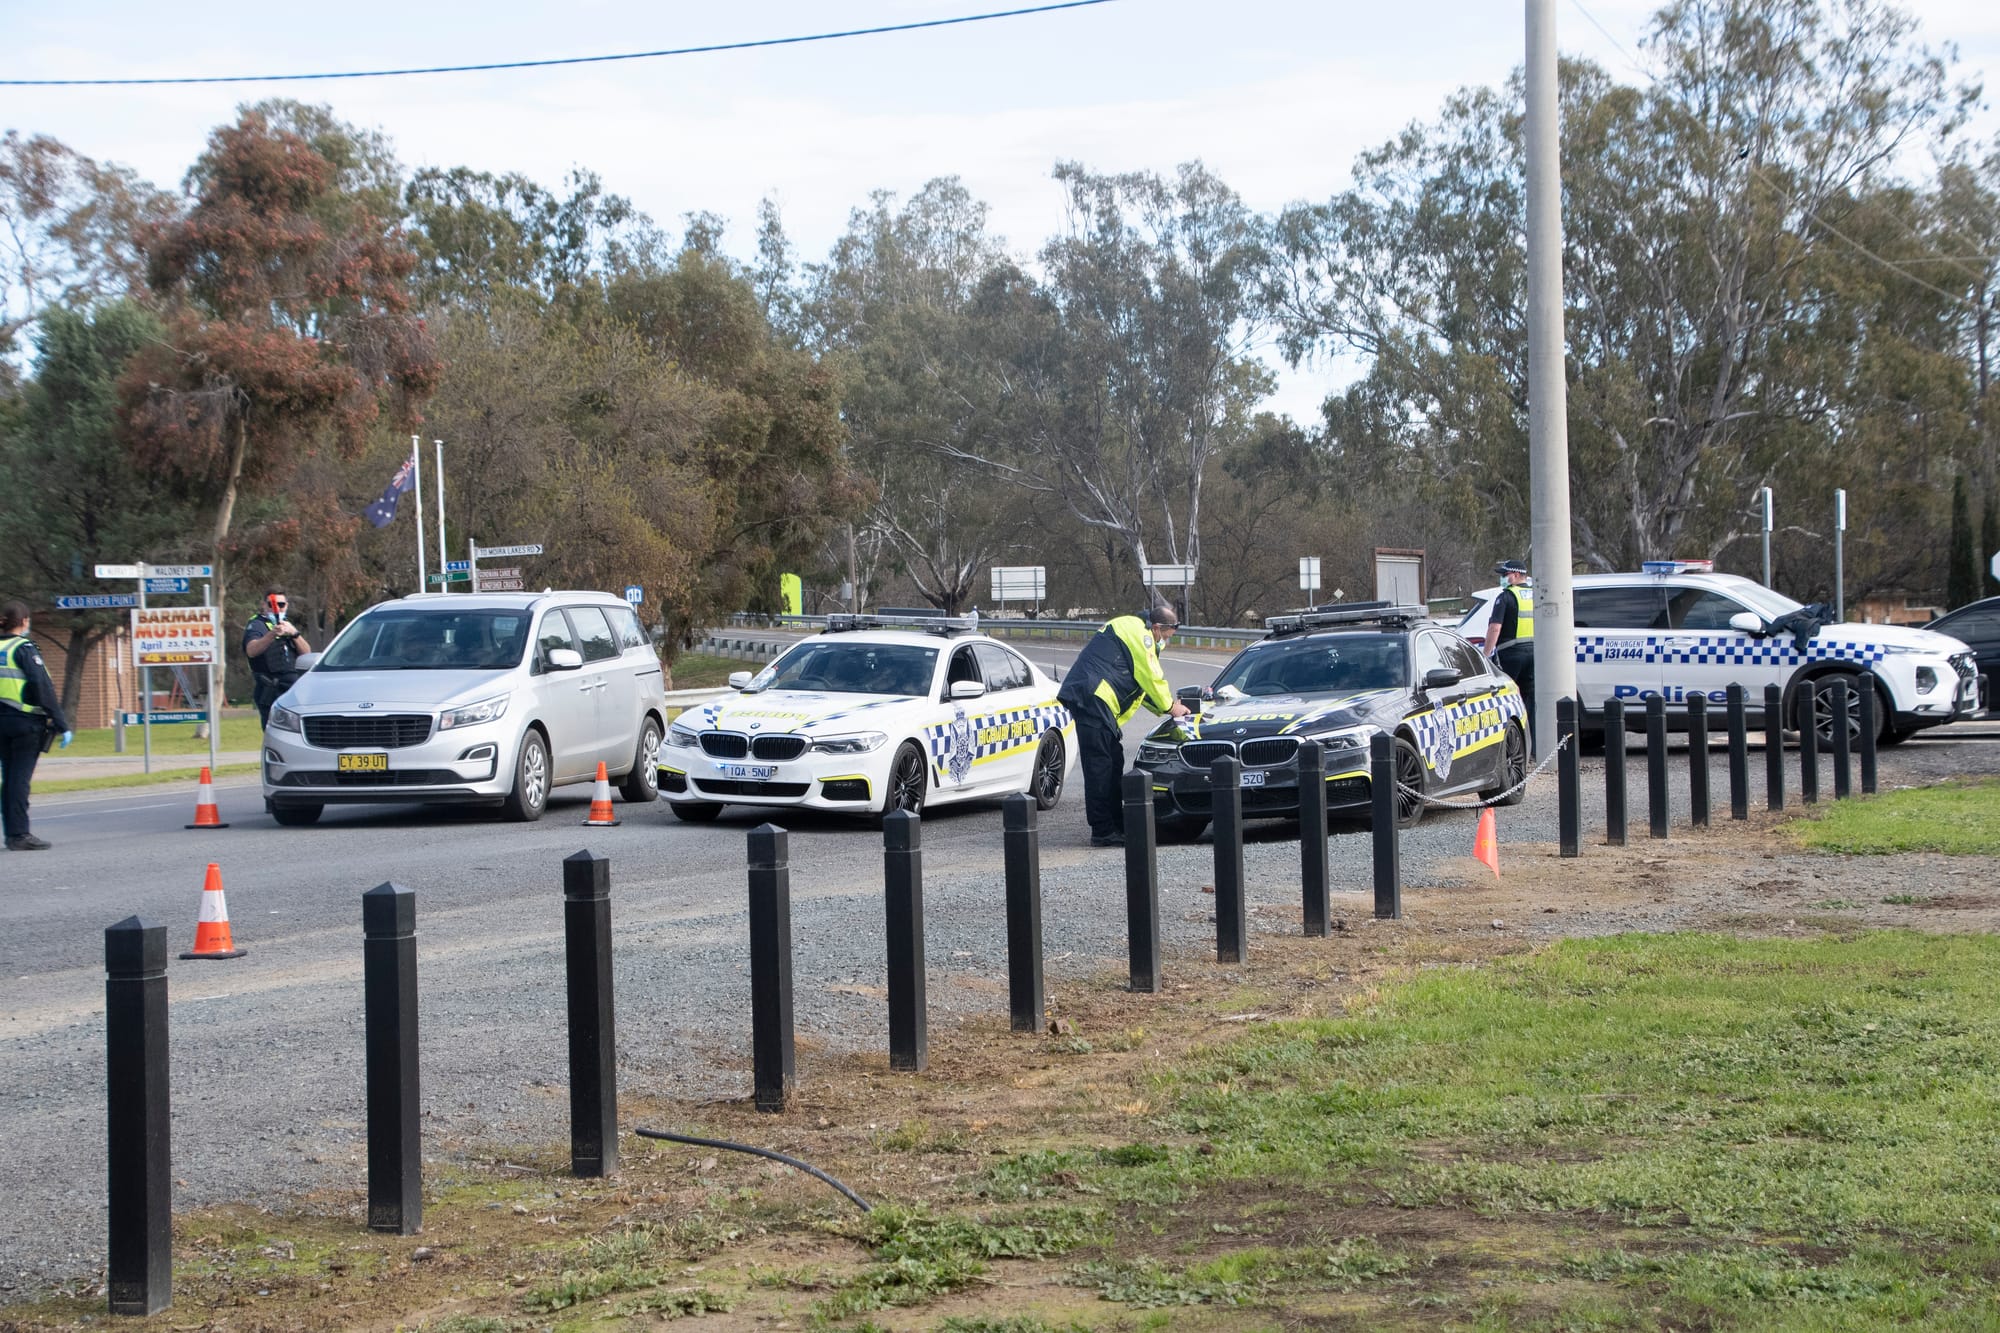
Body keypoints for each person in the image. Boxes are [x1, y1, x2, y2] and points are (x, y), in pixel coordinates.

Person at [1057, 603, 1191, 847]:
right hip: (1093, 698)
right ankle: (1103, 831)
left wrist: (1167, 707)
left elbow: (1143, 690)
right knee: (1100, 767)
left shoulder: (1131, 629)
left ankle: (1116, 825)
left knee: (1113, 759)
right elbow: (1151, 676)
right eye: (1166, 637)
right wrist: (1172, 707)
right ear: (1158, 627)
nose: (1165, 643)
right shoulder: (1142, 635)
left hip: (1093, 700)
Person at [0, 601, 73, 851]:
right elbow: (42, 687)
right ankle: (19, 835)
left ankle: (12, 833)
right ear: (24, 621)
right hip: (25, 722)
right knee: (19, 780)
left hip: (2, 723)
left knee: (8, 778)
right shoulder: (23, 648)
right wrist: (62, 723)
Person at [1483, 559, 1536, 746]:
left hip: (1511, 655)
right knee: (1530, 701)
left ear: (1515, 575)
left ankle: (1511, 744)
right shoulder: (1536, 594)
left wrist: (1486, 654)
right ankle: (1533, 745)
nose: (1502, 579)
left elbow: (1495, 628)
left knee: (1508, 699)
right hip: (1533, 655)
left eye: (1504, 575)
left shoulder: (1505, 597)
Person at [244, 586, 313, 727]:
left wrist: (294, 634)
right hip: (271, 686)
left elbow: (307, 653)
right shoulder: (257, 624)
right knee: (274, 729)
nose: (277, 608)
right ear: (264, 605)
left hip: (293, 687)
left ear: (286, 605)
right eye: (272, 604)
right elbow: (251, 650)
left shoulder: (287, 624)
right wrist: (272, 634)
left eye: (281, 605)